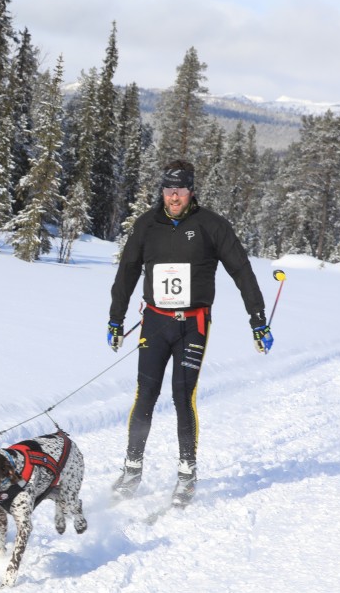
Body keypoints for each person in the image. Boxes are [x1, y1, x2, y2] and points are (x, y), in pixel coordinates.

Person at [107, 159, 272, 505]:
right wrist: (115, 319)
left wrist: (257, 319)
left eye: (180, 189)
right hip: (154, 320)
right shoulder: (147, 225)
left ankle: (186, 474)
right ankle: (132, 467)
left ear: (191, 190)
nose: (173, 196)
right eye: (168, 189)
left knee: (183, 396)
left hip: (193, 324)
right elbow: (127, 272)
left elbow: (241, 270)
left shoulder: (211, 225)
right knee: (145, 393)